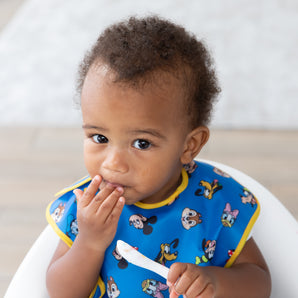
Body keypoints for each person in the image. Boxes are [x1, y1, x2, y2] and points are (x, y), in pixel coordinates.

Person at [46, 16, 271, 298]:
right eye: (99, 138)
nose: (113, 163)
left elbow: (260, 282)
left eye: (141, 143)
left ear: (190, 145)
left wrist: (214, 282)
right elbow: (60, 292)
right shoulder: (87, 209)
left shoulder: (215, 201)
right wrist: (89, 243)